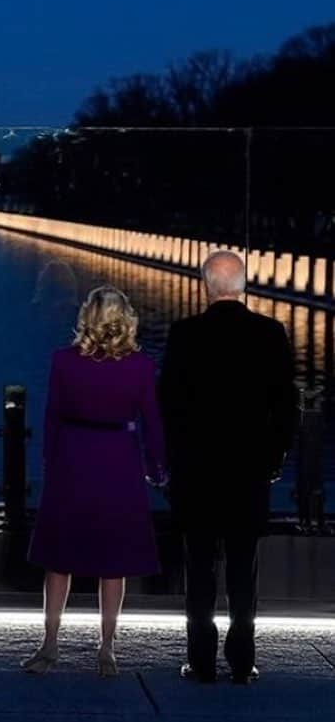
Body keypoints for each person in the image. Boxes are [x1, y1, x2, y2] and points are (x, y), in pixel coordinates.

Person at [160, 250, 298, 685]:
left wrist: (175, 459)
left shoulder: (184, 334)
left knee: (199, 567)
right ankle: (242, 660)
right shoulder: (270, 333)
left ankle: (201, 660)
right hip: (249, 471)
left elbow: (169, 405)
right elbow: (287, 406)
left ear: (206, 285)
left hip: (197, 472)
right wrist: (274, 458)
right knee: (244, 568)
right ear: (243, 284)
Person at [24, 285, 166, 677]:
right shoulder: (140, 366)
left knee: (59, 559)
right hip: (118, 457)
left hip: (73, 455)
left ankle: (49, 644)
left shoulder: (63, 362)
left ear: (87, 315)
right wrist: (157, 465)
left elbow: (52, 416)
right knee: (113, 560)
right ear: (125, 318)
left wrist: (50, 463)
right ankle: (107, 648)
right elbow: (152, 421)